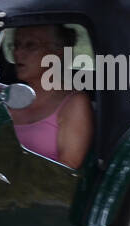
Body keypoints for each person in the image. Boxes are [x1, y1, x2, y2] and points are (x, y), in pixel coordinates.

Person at [7, 24, 94, 169]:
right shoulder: (6, 93)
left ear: (57, 52)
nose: (18, 53)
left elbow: (66, 172)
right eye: (16, 45)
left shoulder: (74, 103)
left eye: (30, 45)